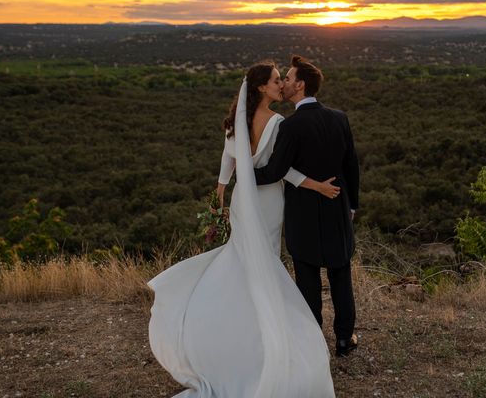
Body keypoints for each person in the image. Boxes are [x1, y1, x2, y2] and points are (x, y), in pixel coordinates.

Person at [147, 61, 337, 397]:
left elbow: (228, 158)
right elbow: (284, 171)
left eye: (283, 80)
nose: (282, 85)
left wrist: (220, 191)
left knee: (244, 261)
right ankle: (262, 334)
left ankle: (229, 327)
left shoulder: (236, 121)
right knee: (264, 264)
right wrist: (316, 187)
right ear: (263, 87)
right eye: (278, 81)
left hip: (241, 203)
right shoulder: (278, 122)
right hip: (267, 203)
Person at [254, 55, 360, 357]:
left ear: (300, 85)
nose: (284, 83)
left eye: (287, 78)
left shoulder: (291, 126)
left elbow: (275, 171)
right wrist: (352, 205)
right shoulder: (340, 118)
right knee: (341, 276)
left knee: (308, 281)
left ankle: (313, 345)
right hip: (338, 206)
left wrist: (245, 173)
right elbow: (351, 166)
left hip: (303, 214)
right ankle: (343, 340)